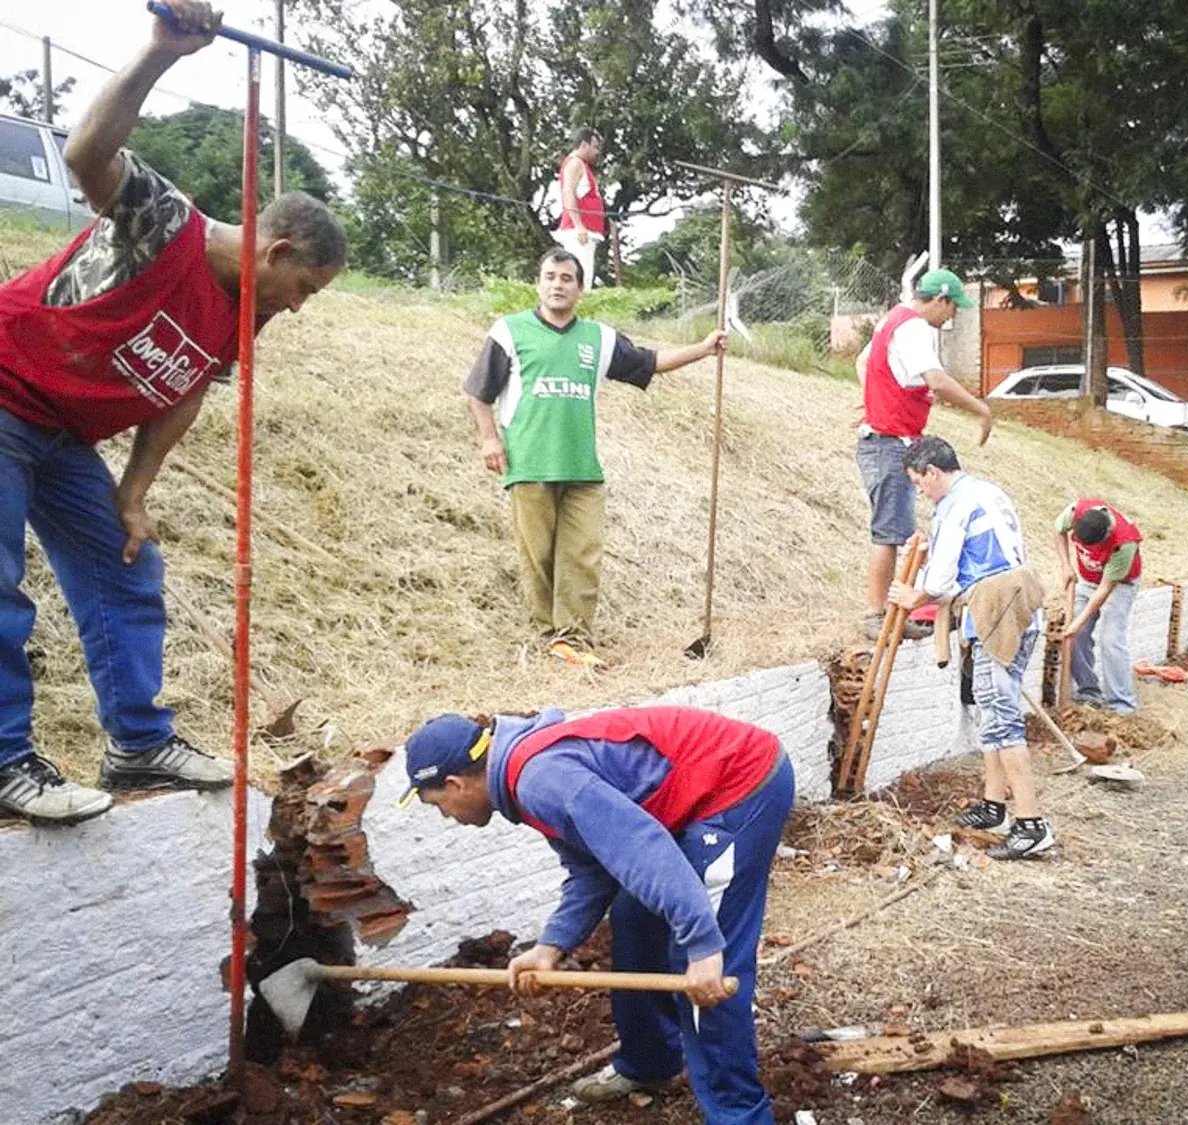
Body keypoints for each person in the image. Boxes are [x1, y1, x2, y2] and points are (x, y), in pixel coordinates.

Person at [0, 0, 347, 826]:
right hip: (4, 386)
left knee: (126, 566)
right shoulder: (165, 223)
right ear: (279, 251)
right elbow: (87, 152)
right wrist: (161, 53)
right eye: (303, 290)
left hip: (61, 432)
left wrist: (134, 490)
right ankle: (6, 759)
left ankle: (137, 744)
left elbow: (184, 387)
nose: (297, 309)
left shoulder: (244, 310)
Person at [400, 704, 794, 1123]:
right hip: (696, 793)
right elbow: (592, 870)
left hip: (739, 785)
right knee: (632, 916)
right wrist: (551, 945)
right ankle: (651, 1063)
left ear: (456, 783)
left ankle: (740, 1116)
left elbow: (643, 848)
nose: (446, 815)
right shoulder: (523, 777)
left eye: (437, 804)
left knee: (703, 976)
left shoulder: (540, 780)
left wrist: (701, 943)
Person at [464, 249, 724, 668]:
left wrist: (704, 348)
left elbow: (649, 362)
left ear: (580, 289)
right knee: (539, 555)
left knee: (582, 553)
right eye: (550, 276)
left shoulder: (598, 339)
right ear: (538, 283)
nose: (557, 285)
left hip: (582, 467)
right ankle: (547, 635)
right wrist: (488, 440)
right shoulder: (509, 332)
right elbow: (478, 393)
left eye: (567, 278)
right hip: (529, 463)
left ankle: (574, 638)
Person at [888, 437, 1055, 860]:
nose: (920, 492)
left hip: (995, 611)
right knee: (993, 711)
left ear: (933, 472)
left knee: (1001, 718)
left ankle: (1032, 824)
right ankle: (995, 807)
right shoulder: (987, 491)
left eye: (918, 482)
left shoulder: (954, 506)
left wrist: (916, 595)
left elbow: (941, 580)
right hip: (1019, 607)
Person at [854, 269, 992, 641]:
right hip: (888, 442)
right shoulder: (914, 327)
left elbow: (865, 364)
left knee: (896, 529)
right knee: (888, 532)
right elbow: (936, 380)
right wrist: (981, 409)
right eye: (952, 309)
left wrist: (874, 400)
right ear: (939, 300)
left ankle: (890, 612)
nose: (952, 317)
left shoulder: (892, 319)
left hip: (886, 436)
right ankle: (876, 614)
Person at [1055, 499, 1142, 714]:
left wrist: (1078, 621)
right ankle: (1088, 692)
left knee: (1111, 639)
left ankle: (1122, 705)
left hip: (1120, 584)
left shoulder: (1125, 542)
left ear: (1106, 537)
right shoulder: (1076, 511)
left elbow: (1104, 590)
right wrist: (1066, 566)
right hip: (1087, 580)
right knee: (1077, 636)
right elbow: (1058, 532)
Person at [555, 127, 606, 290]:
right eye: (595, 146)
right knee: (581, 281)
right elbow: (568, 193)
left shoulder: (581, 165)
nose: (597, 151)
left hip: (585, 232)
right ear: (584, 145)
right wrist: (579, 225)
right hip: (579, 233)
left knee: (586, 279)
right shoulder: (575, 163)